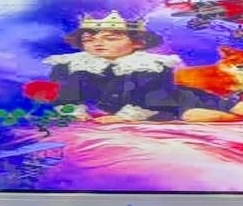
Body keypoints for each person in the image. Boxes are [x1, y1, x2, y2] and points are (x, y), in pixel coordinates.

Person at [43, 11, 185, 123]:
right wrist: (74, 112)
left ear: (138, 43)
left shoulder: (151, 65)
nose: (98, 44)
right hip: (96, 115)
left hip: (151, 112)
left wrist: (125, 117)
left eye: (111, 39)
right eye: (88, 40)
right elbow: (64, 95)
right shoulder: (70, 64)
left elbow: (156, 97)